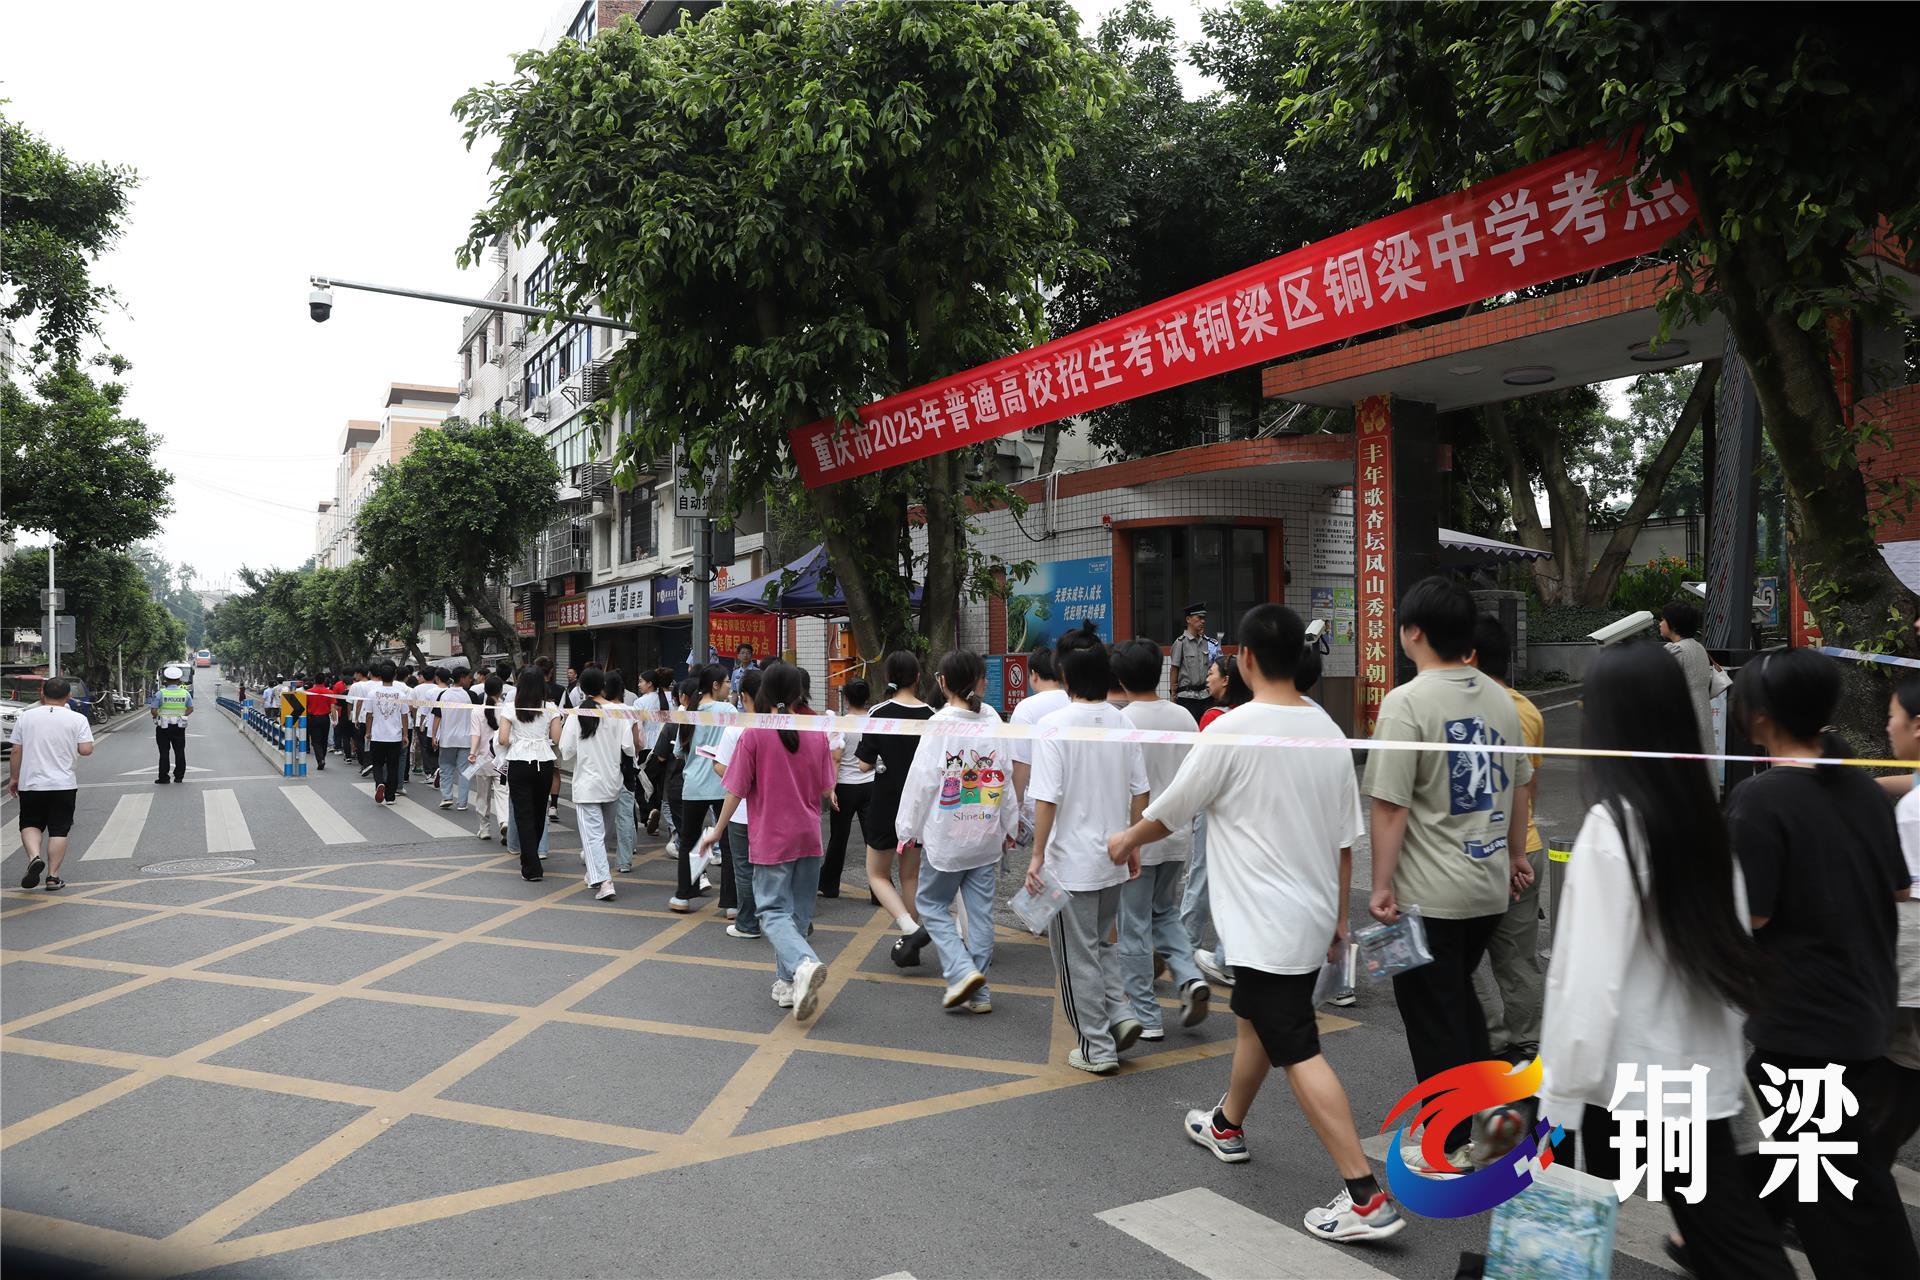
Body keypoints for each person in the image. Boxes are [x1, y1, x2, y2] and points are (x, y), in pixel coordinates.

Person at [1109, 604, 1400, 1245]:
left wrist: (1126, 839)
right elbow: (1344, 839)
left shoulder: (1233, 728)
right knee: (1256, 1021)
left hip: (1268, 928)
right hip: (1305, 919)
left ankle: (1364, 1195)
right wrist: (1337, 919)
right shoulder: (1327, 729)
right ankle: (1226, 1124)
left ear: (1243, 658)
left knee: (1295, 1046)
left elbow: (1174, 809)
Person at [1539, 643, 1792, 1280]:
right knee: (1728, 1242)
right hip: (1694, 1079)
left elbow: (1584, 984)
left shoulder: (1614, 829)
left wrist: (1557, 1098)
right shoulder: (1703, 822)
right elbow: (1732, 957)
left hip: (1634, 1084)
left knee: (1733, 1249)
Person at [1726, 648, 1917, 1277]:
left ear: (1758, 717)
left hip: (1805, 1018)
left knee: (1834, 1188)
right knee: (1816, 1152)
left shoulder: (1760, 800)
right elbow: (1898, 887)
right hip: (1863, 1003)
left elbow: (1751, 917)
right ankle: (1727, 1238)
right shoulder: (1861, 787)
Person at [1363, 576, 1533, 1171]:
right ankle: (1493, 1111)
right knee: (1457, 1002)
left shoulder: (1406, 702)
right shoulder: (1500, 699)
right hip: (1487, 887)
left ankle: (1453, 1138)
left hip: (1428, 896)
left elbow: (1390, 805)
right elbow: (1520, 786)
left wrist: (1380, 885)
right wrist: (1516, 855)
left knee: (1433, 1019)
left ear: (1413, 632)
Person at [1028, 622, 1151, 1074]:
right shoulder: (1123, 722)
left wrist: (1037, 856)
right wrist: (1134, 841)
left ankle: (1096, 1047)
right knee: (1103, 945)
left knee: (1076, 958)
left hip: (1070, 864)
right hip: (1113, 856)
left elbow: (1047, 798)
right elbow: (1141, 790)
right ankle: (1120, 1013)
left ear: (1063, 674)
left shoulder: (1053, 725)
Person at [691, 662, 835, 1020]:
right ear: (799, 693)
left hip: (772, 837)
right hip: (809, 836)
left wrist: (717, 830)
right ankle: (788, 985)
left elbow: (736, 789)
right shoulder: (815, 731)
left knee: (771, 912)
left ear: (763, 692)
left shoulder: (754, 733)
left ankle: (803, 964)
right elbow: (826, 786)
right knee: (797, 915)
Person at [895, 651, 1018, 1012]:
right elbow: (1005, 776)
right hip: (986, 835)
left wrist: (907, 828)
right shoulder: (992, 718)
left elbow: (922, 782)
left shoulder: (940, 724)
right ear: (981, 681)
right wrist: (1010, 824)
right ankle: (979, 993)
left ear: (943, 682)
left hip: (948, 837)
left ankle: (962, 972)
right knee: (980, 916)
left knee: (930, 905)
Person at [1111, 637, 1210, 1039]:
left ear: (1120, 678)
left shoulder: (1123, 721)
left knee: (1133, 924)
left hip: (1137, 837)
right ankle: (1189, 977)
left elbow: (1122, 785)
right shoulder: (1184, 717)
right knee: (1164, 912)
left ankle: (1146, 1015)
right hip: (1176, 834)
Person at [1466, 615, 1544, 1063]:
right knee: (1518, 958)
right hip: (1526, 847)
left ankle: (1490, 1036)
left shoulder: (1467, 711)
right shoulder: (1528, 711)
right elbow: (1529, 786)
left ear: (1470, 658)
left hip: (1477, 850)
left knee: (1457, 955)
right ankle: (1529, 1042)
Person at [855, 651, 938, 961]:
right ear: (917, 677)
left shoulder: (879, 713)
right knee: (910, 876)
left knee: (877, 874)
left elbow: (863, 764)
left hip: (885, 802)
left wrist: (880, 760)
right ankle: (910, 945)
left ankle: (909, 928)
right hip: (919, 806)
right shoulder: (932, 715)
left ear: (889, 676)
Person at [1189, 651, 1255, 987]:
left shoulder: (1214, 717)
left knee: (1200, 875)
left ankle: (1185, 944)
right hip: (1247, 811)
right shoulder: (1254, 715)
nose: (1207, 677)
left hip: (1212, 806)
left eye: (1212, 672)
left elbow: (1198, 772)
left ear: (1227, 680)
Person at [1877, 679, 1920, 1170]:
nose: (1889, 727)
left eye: (1893, 717)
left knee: (1900, 1056)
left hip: (1911, 941)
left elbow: (1900, 888)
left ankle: (1869, 1158)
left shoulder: (1912, 812)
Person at [10, 677, 95, 893]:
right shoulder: (77, 718)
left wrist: (14, 778)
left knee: (30, 823)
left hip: (31, 782)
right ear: (69, 696)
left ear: (42, 693)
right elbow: (86, 750)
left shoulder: (26, 717)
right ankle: (52, 877)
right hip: (63, 784)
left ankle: (34, 857)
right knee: (59, 829)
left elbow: (16, 750)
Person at [558, 668, 631, 901]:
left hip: (587, 784)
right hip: (612, 782)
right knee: (602, 836)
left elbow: (566, 750)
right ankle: (594, 873)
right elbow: (629, 747)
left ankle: (605, 881)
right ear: (603, 686)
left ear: (581, 688)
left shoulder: (578, 713)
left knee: (593, 837)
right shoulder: (619, 712)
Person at [673, 664, 736, 912]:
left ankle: (683, 896)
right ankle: (731, 904)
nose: (730, 686)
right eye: (727, 681)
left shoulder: (690, 711)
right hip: (723, 783)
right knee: (729, 844)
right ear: (716, 685)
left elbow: (679, 752)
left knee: (688, 840)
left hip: (693, 785)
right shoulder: (729, 710)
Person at [712, 667, 764, 939]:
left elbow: (723, 769)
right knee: (774, 869)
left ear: (744, 697)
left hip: (741, 813)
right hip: (773, 812)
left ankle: (747, 923)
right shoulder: (784, 726)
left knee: (744, 869)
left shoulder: (736, 729)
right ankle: (788, 919)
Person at [499, 667, 561, 882]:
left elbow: (503, 739)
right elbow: (556, 738)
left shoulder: (510, 707)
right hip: (544, 762)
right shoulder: (550, 708)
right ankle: (531, 858)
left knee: (523, 814)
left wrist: (519, 739)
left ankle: (531, 865)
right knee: (539, 811)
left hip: (519, 762)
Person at [1008, 645, 1068, 843]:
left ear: (1033, 674)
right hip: (1074, 800)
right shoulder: (1073, 702)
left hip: (1039, 801)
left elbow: (1021, 762)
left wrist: (1016, 806)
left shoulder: (1025, 709)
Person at [822, 678, 874, 898]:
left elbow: (836, 758)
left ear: (846, 699)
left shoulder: (842, 724)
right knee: (872, 839)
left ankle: (829, 885)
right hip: (871, 784)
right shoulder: (875, 722)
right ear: (867, 698)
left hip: (845, 785)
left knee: (839, 837)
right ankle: (879, 889)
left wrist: (831, 788)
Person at [1660, 599, 1720, 792]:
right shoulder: (1697, 648)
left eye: (1663, 619)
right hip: (1700, 711)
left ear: (1674, 624)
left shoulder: (1676, 651)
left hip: (1681, 714)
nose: (1660, 624)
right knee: (1700, 763)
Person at [362, 662, 411, 807]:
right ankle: (390, 797)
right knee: (393, 766)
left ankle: (379, 783)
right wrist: (405, 734)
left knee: (377, 763)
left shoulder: (372, 693)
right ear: (394, 676)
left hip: (377, 735)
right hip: (394, 737)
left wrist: (368, 732)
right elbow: (404, 715)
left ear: (380, 676)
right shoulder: (400, 694)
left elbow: (369, 715)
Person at [433, 668, 478, 810]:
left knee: (446, 768)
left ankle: (447, 797)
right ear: (462, 678)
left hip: (447, 739)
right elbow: (478, 717)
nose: (471, 680)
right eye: (469, 677)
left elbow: (437, 716)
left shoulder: (443, 694)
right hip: (466, 740)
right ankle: (462, 802)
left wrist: (434, 736)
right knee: (465, 771)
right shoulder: (471, 695)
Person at [466, 676, 505, 839]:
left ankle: (484, 829)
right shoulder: (507, 709)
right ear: (501, 690)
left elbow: (475, 735)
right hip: (502, 760)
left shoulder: (477, 711)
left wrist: (472, 753)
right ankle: (504, 822)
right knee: (503, 793)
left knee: (482, 796)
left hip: (483, 759)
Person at [1169, 602, 1220, 723]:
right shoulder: (1180, 643)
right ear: (1188, 619)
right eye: (1199, 618)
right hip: (1187, 698)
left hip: (1205, 696)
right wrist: (1173, 696)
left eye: (1204, 618)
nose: (1203, 621)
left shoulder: (1206, 642)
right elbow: (1174, 669)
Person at [149, 664, 193, 784]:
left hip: (163, 726)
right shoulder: (185, 693)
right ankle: (179, 777)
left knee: (164, 752)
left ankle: (164, 777)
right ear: (179, 679)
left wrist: (158, 716)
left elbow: (153, 710)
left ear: (165, 680)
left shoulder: (160, 694)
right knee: (179, 751)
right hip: (179, 726)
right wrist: (181, 716)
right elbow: (190, 709)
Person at [303, 673, 335, 772]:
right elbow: (332, 707)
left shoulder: (309, 692)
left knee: (316, 741)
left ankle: (320, 759)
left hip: (313, 718)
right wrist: (334, 719)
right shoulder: (329, 692)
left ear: (314, 681)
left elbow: (305, 706)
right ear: (324, 681)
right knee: (324, 740)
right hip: (325, 718)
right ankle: (322, 758)